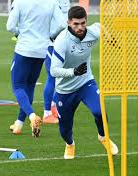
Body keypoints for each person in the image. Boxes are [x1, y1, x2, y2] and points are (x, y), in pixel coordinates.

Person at [50, 6, 118, 159]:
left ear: (86, 21)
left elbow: (99, 26)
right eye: (75, 24)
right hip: (64, 90)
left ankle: (103, 137)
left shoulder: (91, 32)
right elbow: (54, 70)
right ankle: (70, 144)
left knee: (100, 112)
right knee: (65, 130)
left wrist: (109, 38)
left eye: (82, 23)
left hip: (86, 83)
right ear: (68, 23)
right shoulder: (62, 41)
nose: (80, 27)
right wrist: (73, 72)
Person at [7, 0, 66, 137]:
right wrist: (50, 36)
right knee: (30, 86)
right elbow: (62, 24)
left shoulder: (20, 2)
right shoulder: (51, 2)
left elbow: (10, 26)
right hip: (41, 50)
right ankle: (19, 124)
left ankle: (32, 116)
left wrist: (18, 33)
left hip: (24, 49)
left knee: (18, 86)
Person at [42, 0, 70, 124]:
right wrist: (51, 35)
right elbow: (61, 24)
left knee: (63, 76)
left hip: (60, 42)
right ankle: (47, 113)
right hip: (52, 44)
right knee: (52, 77)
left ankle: (53, 106)